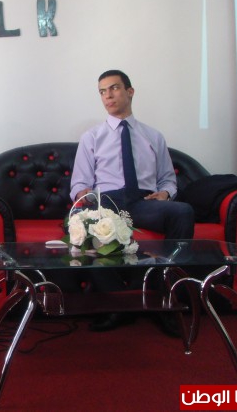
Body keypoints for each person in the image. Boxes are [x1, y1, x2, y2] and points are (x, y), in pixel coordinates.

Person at [70, 69, 195, 332]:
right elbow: (79, 184)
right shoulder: (91, 138)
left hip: (143, 202)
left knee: (183, 211)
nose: (108, 96)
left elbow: (168, 180)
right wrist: (85, 197)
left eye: (114, 88)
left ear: (130, 91)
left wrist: (165, 194)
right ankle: (121, 305)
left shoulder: (153, 137)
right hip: (107, 203)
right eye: (102, 92)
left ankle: (159, 299)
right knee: (82, 225)